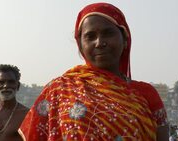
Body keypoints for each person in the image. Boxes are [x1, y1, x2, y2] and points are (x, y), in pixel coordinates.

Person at [19, 2, 168, 141]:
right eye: (90, 36)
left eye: (108, 33)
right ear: (80, 45)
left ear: (125, 39)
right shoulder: (58, 90)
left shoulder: (146, 94)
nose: (99, 43)